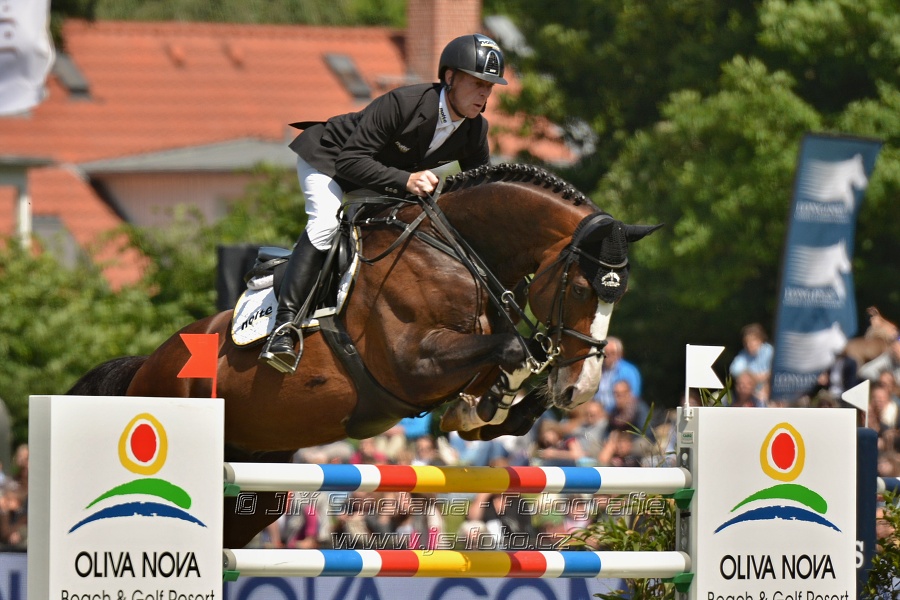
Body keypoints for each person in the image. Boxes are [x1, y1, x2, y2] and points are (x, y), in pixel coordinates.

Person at [261, 33, 508, 371]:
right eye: (477, 82)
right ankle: (284, 328)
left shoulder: (474, 131)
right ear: (450, 77)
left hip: (376, 179)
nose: (484, 93)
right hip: (330, 161)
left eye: (490, 86)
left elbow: (482, 194)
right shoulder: (404, 103)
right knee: (325, 224)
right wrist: (406, 180)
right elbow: (350, 162)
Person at [592, 337, 643, 413]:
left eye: (612, 353)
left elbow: (633, 397)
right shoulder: (596, 371)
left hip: (618, 413)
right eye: (606, 353)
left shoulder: (630, 371)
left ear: (620, 354)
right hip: (596, 412)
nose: (608, 356)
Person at [728, 323, 774, 401]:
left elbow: (777, 372)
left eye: (752, 341)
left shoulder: (769, 351)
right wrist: (755, 377)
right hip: (750, 393)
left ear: (760, 340)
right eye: (746, 342)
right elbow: (734, 370)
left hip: (770, 391)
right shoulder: (743, 355)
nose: (749, 345)